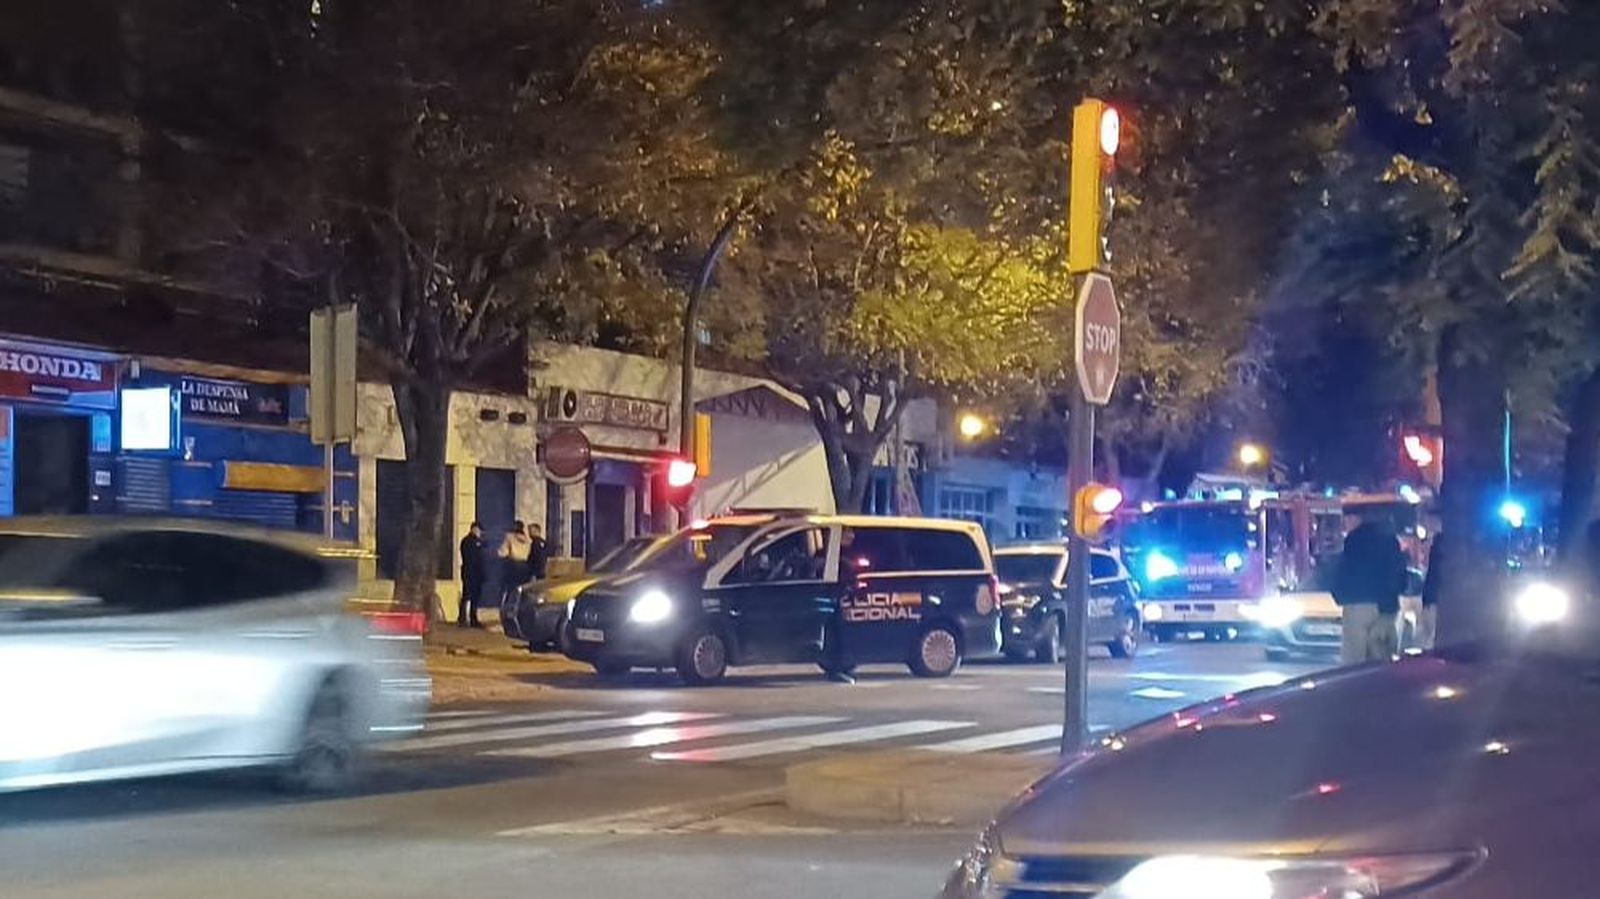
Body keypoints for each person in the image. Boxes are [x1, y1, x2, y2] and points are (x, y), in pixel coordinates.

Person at [1333, 510, 1408, 664]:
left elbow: (1343, 571)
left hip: (1357, 604)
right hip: (1385, 607)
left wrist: (1340, 596)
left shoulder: (1354, 539)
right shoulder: (1390, 540)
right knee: (1381, 657)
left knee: (1354, 659)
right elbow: (1398, 574)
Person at [498, 520, 533, 609]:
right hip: (525, 566)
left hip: (513, 565)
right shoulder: (528, 540)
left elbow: (503, 552)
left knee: (509, 588)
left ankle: (508, 607)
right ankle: (522, 607)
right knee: (523, 588)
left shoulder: (509, 537)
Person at [1417, 530, 1442, 651]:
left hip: (1431, 601)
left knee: (1428, 637)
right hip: (1434, 601)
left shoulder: (1436, 556)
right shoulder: (1442, 558)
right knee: (1430, 636)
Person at [458, 522, 486, 628]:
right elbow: (471, 558)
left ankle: (472, 618)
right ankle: (463, 618)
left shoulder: (478, 542)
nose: (480, 533)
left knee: (475, 596)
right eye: (479, 530)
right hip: (470, 572)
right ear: (474, 529)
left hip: (476, 573)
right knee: (467, 595)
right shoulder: (468, 541)